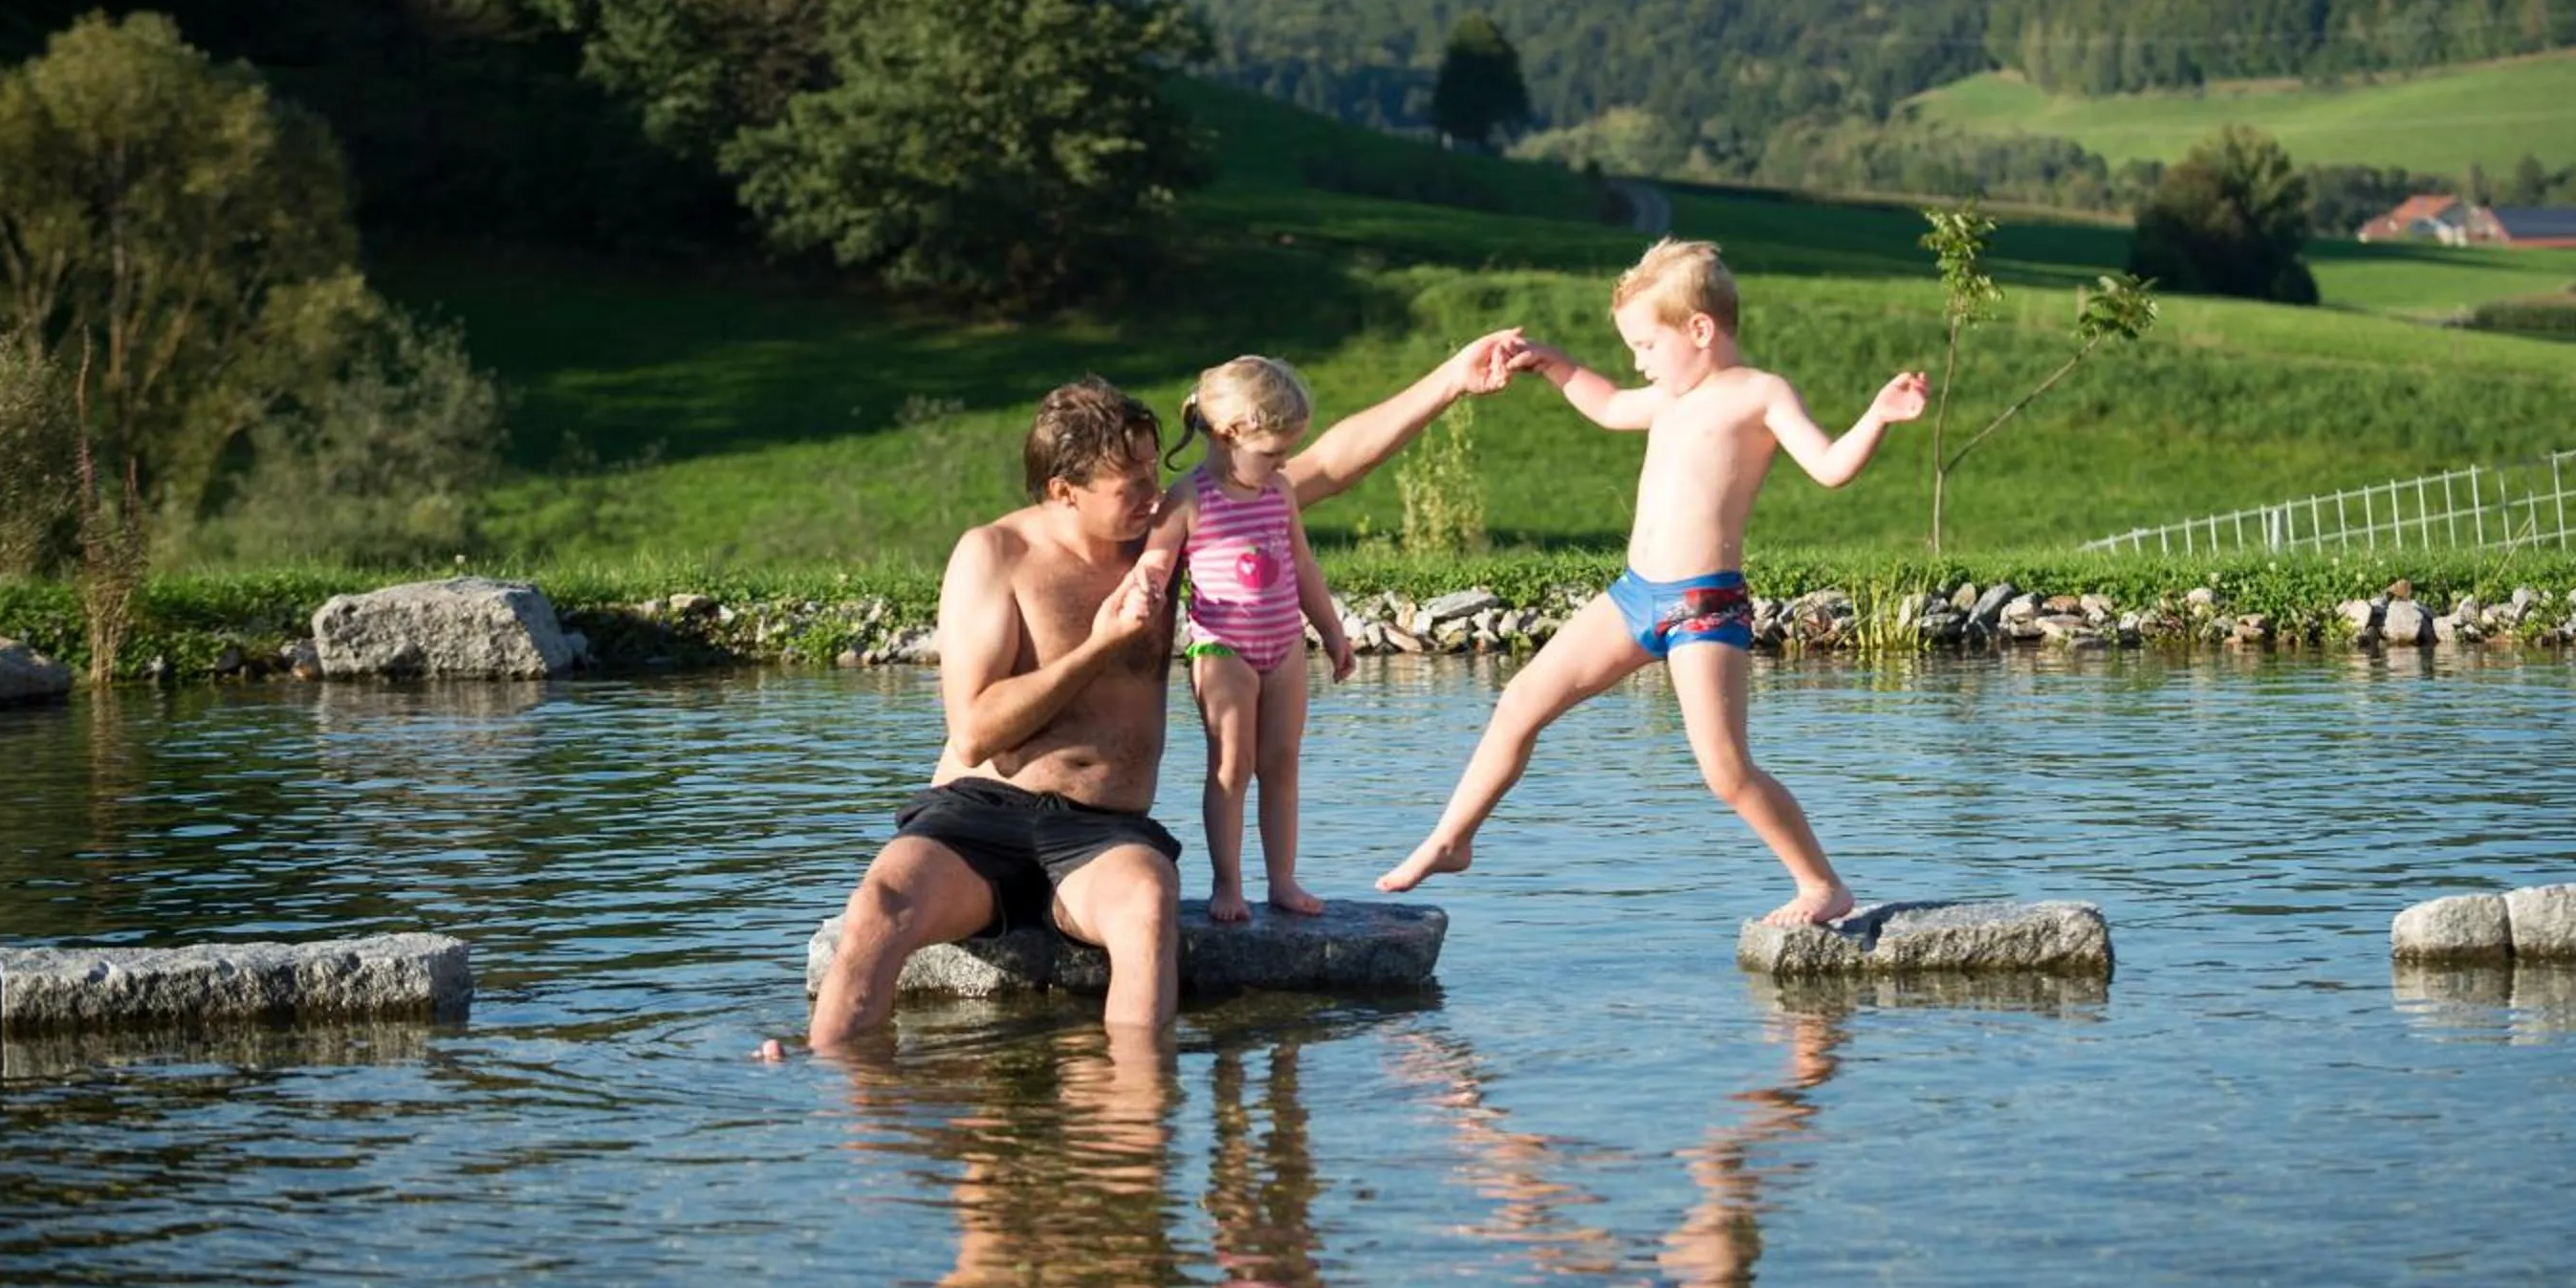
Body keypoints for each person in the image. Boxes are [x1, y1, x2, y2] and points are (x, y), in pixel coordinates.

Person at [775, 331, 1528, 1057]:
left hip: (1101, 832)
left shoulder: (1173, 532)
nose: (1150, 492)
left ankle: (1132, 1131)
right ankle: (841, 1092)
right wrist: (1099, 645)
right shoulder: (994, 555)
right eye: (1129, 483)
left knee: (1147, 909)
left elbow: (1328, 463)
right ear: (1064, 491)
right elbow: (975, 733)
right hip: (978, 815)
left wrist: (1452, 379)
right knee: (880, 905)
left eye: (1149, 471)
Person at [1378, 238, 1928, 927]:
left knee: (1726, 771)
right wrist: (1551, 364)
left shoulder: (1758, 394)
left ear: (1699, 330)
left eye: (1644, 345)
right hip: (1633, 596)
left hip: (1704, 608)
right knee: (1519, 700)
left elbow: (1829, 467)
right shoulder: (1669, 396)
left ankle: (1821, 885)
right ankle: (1453, 838)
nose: (1637, 362)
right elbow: (1607, 406)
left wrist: (1876, 415)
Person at [1137, 356, 1352, 925]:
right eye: (1273, 452)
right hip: (1221, 648)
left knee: (1282, 765)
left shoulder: (1278, 493)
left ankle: (1282, 879)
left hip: (1284, 646)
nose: (1283, 463)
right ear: (1230, 435)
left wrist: (1330, 631)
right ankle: (1228, 883)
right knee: (1232, 766)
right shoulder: (1190, 499)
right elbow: (1156, 563)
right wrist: (1147, 587)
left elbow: (1302, 566)